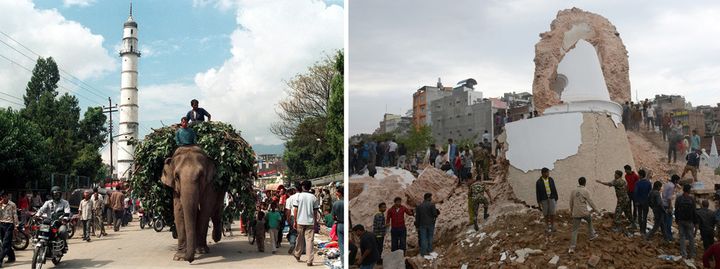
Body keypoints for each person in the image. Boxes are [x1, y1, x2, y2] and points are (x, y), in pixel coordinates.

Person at [35, 186, 71, 252]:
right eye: (54, 194)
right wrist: (37, 215)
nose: (56, 195)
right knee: (39, 228)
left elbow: (67, 211)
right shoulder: (48, 202)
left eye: (58, 194)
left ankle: (64, 245)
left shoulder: (65, 202)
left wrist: (65, 219)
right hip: (49, 222)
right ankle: (38, 241)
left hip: (60, 223)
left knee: (62, 231)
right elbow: (41, 210)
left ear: (60, 194)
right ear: (52, 195)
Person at [292, 180, 320, 266]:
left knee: (299, 239)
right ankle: (309, 260)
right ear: (310, 187)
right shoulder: (313, 197)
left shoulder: (299, 196)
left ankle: (297, 254)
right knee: (309, 241)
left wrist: (295, 221)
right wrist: (315, 222)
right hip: (310, 222)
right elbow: (315, 212)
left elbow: (295, 209)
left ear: (303, 187)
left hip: (300, 221)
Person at [568, 177, 598, 254]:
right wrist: (596, 209)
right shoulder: (585, 191)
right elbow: (590, 201)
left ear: (579, 182)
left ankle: (572, 247)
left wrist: (572, 211)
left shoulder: (573, 191)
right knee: (589, 221)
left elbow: (571, 202)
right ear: (585, 183)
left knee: (574, 230)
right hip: (584, 212)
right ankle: (592, 235)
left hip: (576, 213)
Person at [676, 183, 698, 260]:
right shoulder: (692, 199)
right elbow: (694, 212)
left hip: (681, 220)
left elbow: (676, 210)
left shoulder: (678, 199)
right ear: (689, 190)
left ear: (683, 190)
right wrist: (695, 223)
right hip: (689, 221)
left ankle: (683, 254)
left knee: (682, 237)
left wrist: (677, 220)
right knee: (691, 237)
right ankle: (692, 254)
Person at [536, 167, 559, 233]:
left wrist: (556, 197)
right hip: (544, 199)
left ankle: (552, 225)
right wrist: (539, 202)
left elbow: (554, 188)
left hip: (551, 198)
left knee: (552, 213)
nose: (548, 174)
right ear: (543, 173)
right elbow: (537, 192)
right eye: (547, 172)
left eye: (548, 172)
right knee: (545, 213)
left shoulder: (551, 179)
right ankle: (546, 226)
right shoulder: (538, 182)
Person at [0, 190, 19, 266]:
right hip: (1, 224)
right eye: (2, 196)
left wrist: (16, 226)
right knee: (5, 243)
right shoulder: (0, 204)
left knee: (5, 243)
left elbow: (15, 215)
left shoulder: (12, 204)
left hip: (9, 224)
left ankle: (0, 260)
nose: (4, 198)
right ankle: (12, 257)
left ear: (8, 196)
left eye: (5, 196)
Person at [662, 175, 681, 241]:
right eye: (678, 180)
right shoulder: (672, 186)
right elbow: (669, 199)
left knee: (665, 221)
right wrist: (670, 207)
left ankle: (665, 235)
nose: (679, 182)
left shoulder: (667, 184)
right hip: (667, 205)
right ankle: (669, 236)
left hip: (663, 204)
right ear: (675, 180)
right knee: (669, 221)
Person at [633, 169, 652, 235]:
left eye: (639, 175)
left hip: (639, 202)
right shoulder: (649, 183)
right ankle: (644, 231)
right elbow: (650, 193)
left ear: (641, 175)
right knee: (645, 217)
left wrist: (636, 201)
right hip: (646, 202)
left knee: (640, 216)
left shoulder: (637, 183)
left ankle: (641, 230)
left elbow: (635, 193)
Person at [332, 187, 345, 263]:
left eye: (337, 192)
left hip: (340, 224)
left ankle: (343, 263)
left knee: (341, 244)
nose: (336, 193)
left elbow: (333, 217)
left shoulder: (336, 203)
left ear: (339, 193)